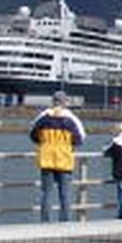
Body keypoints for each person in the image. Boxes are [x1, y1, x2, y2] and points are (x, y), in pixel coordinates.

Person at [29, 91, 85, 222]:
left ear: (53, 101)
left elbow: (33, 134)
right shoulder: (71, 119)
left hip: (46, 159)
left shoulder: (43, 118)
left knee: (46, 194)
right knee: (65, 194)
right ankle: (64, 222)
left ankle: (45, 222)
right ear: (65, 102)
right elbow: (80, 139)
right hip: (64, 160)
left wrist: (43, 142)